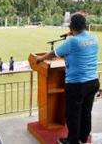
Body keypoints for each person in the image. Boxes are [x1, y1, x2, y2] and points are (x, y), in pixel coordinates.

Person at [36, 13, 99, 144]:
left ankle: (72, 140)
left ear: (71, 27)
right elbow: (80, 55)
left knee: (73, 114)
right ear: (84, 25)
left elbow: (54, 53)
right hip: (93, 82)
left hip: (77, 84)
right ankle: (83, 138)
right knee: (86, 112)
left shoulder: (71, 41)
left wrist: (40, 58)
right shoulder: (94, 38)